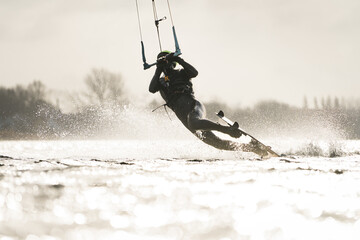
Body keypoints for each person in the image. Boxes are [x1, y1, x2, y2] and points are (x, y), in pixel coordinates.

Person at [149, 51, 242, 142]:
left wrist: (178, 59)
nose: (166, 65)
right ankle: (249, 148)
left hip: (193, 106)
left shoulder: (182, 72)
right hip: (182, 115)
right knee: (216, 143)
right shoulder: (159, 81)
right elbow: (151, 89)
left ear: (173, 63)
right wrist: (158, 69)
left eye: (168, 62)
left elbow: (194, 73)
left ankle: (227, 130)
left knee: (194, 123)